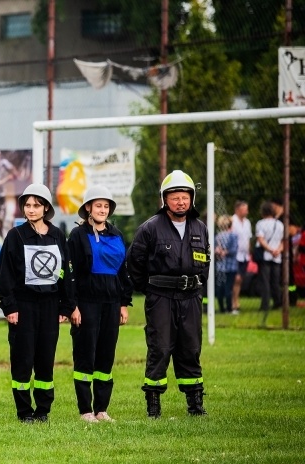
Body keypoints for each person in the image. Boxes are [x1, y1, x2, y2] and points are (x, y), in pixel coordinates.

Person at [127, 170, 210, 419]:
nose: (180, 201)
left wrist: (195, 285)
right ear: (165, 199)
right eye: (174, 197)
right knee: (160, 348)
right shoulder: (150, 228)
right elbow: (134, 263)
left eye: (184, 196)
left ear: (192, 199)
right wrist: (152, 289)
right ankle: (154, 406)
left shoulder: (200, 228)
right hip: (160, 298)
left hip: (191, 298)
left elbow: (205, 262)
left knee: (191, 348)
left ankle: (195, 404)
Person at [0, 183, 74, 424]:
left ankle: (42, 410)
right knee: (22, 359)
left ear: (46, 208)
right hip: (23, 306)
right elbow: (4, 275)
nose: (31, 209)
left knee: (45, 360)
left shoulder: (58, 236)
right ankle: (24, 411)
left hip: (50, 307)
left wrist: (65, 306)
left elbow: (65, 272)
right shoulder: (15, 236)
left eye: (36, 205)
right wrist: (10, 307)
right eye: (27, 205)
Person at [67, 186, 132, 423]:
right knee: (85, 356)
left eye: (106, 206)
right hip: (86, 304)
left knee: (106, 356)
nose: (102, 210)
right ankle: (85, 410)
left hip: (112, 304)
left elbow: (123, 272)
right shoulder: (77, 235)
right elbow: (70, 274)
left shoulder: (117, 234)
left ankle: (101, 410)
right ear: (88, 209)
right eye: (98, 206)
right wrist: (72, 306)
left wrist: (123, 303)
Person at [254, 201, 284, 325]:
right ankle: (278, 301)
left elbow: (260, 240)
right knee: (275, 281)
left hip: (266, 256)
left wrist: (270, 250)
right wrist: (278, 250)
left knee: (265, 281)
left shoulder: (261, 224)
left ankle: (265, 304)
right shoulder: (280, 224)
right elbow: (283, 241)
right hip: (277, 256)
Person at [231, 200, 252, 314]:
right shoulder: (232, 221)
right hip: (235, 255)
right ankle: (233, 303)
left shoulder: (247, 222)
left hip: (244, 256)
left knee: (240, 280)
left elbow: (248, 239)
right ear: (238, 210)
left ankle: (236, 302)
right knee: (236, 279)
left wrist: (249, 253)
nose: (247, 211)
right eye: (245, 209)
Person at [214, 215, 238, 313]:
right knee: (229, 288)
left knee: (220, 287)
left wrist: (219, 252)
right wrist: (226, 252)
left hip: (220, 266)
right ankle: (229, 308)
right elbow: (234, 249)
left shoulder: (217, 236)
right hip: (230, 266)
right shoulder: (233, 236)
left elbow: (215, 249)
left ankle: (221, 308)